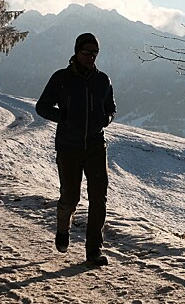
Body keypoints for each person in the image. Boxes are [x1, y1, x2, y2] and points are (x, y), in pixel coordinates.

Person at [35, 33, 117, 266]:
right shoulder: (61, 78)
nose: (91, 57)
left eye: (95, 54)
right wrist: (63, 117)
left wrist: (107, 119)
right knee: (70, 197)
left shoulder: (103, 80)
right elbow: (42, 106)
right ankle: (63, 228)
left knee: (98, 199)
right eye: (87, 53)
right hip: (69, 147)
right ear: (76, 52)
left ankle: (93, 251)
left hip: (95, 146)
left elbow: (111, 107)